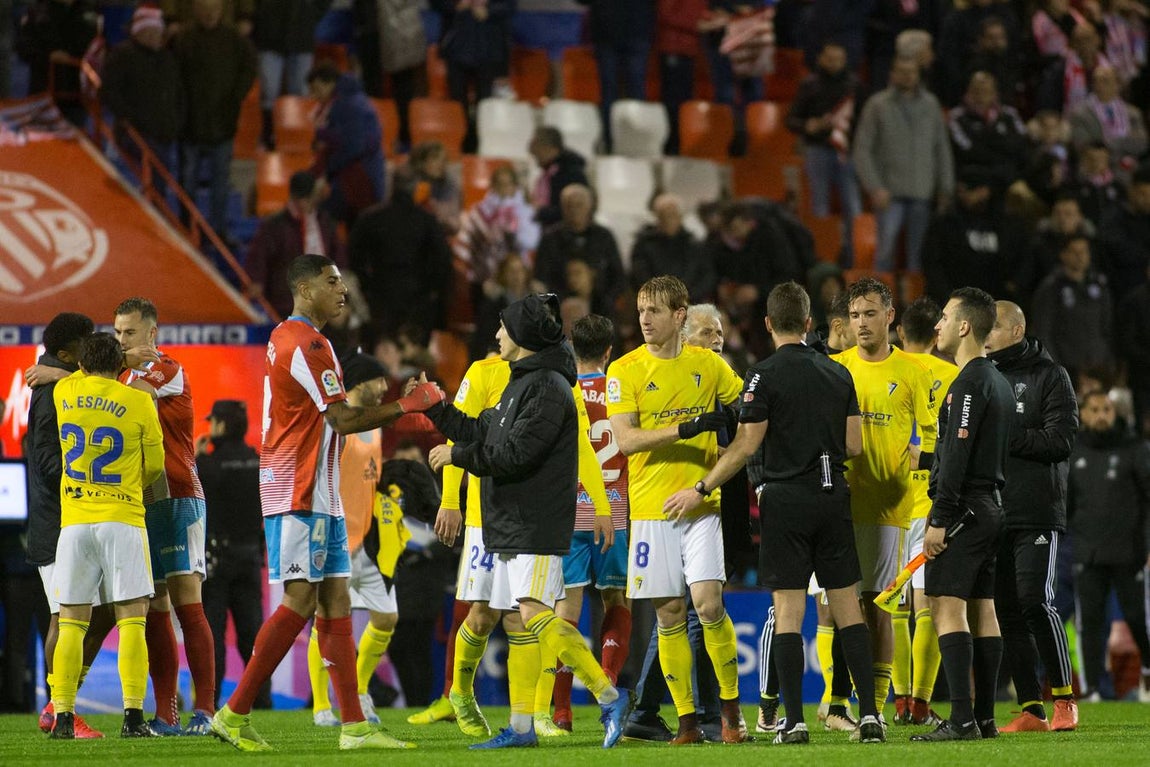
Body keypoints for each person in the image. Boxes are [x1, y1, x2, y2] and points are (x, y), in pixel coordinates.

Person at [210, 253, 445, 752]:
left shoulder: (289, 338)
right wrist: (409, 405)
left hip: (319, 488)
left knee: (336, 598)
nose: (343, 290)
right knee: (300, 601)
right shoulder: (309, 343)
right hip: (300, 485)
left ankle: (354, 724)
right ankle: (234, 713)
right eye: (333, 281)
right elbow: (341, 420)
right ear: (305, 287)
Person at [665, 281, 884, 745]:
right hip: (831, 495)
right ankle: (870, 717)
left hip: (784, 500)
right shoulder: (837, 372)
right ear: (808, 324)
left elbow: (746, 446)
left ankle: (795, 722)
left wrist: (702, 486)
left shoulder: (761, 376)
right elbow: (854, 445)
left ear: (767, 324)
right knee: (848, 609)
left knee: (788, 612)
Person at [425, 293, 630, 749]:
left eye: (503, 326)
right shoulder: (526, 382)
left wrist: (457, 455)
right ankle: (520, 729)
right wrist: (436, 409)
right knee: (520, 618)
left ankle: (609, 695)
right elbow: (485, 431)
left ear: (522, 335)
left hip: (534, 520)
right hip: (511, 521)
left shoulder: (548, 389)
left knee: (535, 616)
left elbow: (514, 454)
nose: (496, 334)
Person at [605, 275, 748, 744]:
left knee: (708, 605)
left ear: (679, 316)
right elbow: (626, 441)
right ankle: (687, 722)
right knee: (669, 614)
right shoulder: (624, 370)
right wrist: (687, 428)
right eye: (641, 311)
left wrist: (734, 426)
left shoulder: (708, 365)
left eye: (655, 311)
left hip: (702, 506)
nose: (645, 319)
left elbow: (749, 410)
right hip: (650, 511)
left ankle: (730, 714)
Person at [48, 332, 165, 739]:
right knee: (132, 620)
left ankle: (62, 716)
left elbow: (70, 374)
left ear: (81, 365)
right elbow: (155, 465)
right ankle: (133, 718)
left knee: (71, 625)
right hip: (123, 517)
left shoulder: (65, 391)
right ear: (120, 367)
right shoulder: (139, 400)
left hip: (75, 522)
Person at [108, 298, 216, 735]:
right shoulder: (120, 372)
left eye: (129, 333)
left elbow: (136, 394)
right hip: (140, 501)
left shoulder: (169, 370)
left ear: (151, 334)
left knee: (187, 601)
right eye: (116, 334)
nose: (122, 342)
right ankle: (166, 712)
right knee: (153, 604)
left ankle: (206, 711)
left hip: (178, 497)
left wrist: (90, 372)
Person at [832, 277, 938, 724]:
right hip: (837, 504)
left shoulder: (913, 371)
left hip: (888, 508)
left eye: (870, 314)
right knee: (840, 606)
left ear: (890, 316)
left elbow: (935, 441)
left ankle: (874, 707)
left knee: (878, 606)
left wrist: (930, 493)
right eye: (855, 315)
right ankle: (838, 702)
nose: (862, 324)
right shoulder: (836, 367)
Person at [911, 287, 1014, 742]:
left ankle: (961, 720)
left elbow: (956, 458)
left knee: (945, 608)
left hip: (964, 512)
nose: (938, 326)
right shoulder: (999, 380)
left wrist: (938, 521)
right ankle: (985, 717)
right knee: (983, 608)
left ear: (965, 326)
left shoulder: (968, 384)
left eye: (946, 317)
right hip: (991, 505)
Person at [984, 300, 1081, 733]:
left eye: (995, 327)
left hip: (1038, 510)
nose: (986, 334)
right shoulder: (985, 376)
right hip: (994, 509)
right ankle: (1030, 708)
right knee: (1006, 609)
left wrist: (1003, 437)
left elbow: (1060, 441)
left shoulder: (1050, 375)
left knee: (1035, 601)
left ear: (1018, 328)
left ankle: (1064, 699)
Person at [539, 314, 632, 733]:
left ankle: (562, 711)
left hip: (569, 512)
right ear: (609, 352)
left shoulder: (565, 391)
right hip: (616, 510)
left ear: (573, 350)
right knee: (616, 601)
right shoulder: (621, 390)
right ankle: (607, 683)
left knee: (566, 612)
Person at [25, 312, 108, 738]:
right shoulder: (47, 394)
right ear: (64, 353)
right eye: (85, 342)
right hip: (56, 522)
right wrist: (81, 479)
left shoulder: (58, 380)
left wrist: (60, 374)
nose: (92, 347)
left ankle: (59, 702)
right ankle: (60, 712)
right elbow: (44, 458)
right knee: (66, 615)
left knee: (97, 613)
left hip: (69, 518)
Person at [307, 353, 401, 727]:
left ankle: (360, 691)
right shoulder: (334, 425)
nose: (384, 388)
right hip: (333, 539)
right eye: (380, 381)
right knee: (325, 621)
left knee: (387, 617)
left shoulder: (373, 425)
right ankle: (321, 707)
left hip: (367, 542)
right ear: (361, 382)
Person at [890, 297, 958, 726]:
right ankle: (919, 703)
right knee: (928, 605)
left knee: (894, 608)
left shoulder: (887, 369)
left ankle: (896, 701)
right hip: (934, 506)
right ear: (938, 333)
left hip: (892, 505)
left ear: (899, 332)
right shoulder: (954, 376)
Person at [1068, 389, 1150, 700]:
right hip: (1088, 552)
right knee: (1089, 623)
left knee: (1135, 619)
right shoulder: (1076, 452)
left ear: (1114, 413)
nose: (1102, 415)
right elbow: (1068, 504)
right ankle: (1092, 690)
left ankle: (1147, 673)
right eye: (1095, 410)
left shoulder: (1133, 449)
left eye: (1107, 409)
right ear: (1084, 415)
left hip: (1128, 552)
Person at [195, 399, 266, 711]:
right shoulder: (256, 460)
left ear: (220, 425)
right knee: (253, 637)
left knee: (214, 638)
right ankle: (261, 700)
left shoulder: (208, 464)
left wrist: (197, 456)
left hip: (217, 560)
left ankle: (209, 704)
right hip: (250, 556)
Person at [853, 55, 954, 274]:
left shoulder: (931, 104)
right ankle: (878, 305)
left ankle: (914, 306)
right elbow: (862, 149)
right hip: (889, 193)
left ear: (918, 75)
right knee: (884, 255)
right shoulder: (877, 104)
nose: (907, 76)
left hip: (922, 192)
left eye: (912, 72)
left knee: (918, 259)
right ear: (892, 74)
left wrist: (946, 188)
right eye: (902, 71)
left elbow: (941, 149)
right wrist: (875, 187)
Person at [174, 0, 258, 244]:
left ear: (221, 11)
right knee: (187, 182)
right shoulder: (183, 39)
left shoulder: (235, 40)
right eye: (204, 10)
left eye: (214, 10)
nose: (209, 15)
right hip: (190, 126)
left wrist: (236, 97)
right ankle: (186, 228)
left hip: (222, 124)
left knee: (220, 185)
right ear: (195, 11)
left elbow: (249, 68)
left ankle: (218, 231)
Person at [786, 40, 862, 267]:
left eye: (839, 59)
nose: (834, 63)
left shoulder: (855, 85)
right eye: (830, 58)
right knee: (820, 207)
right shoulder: (810, 84)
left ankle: (852, 257)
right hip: (817, 150)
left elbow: (865, 121)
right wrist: (808, 125)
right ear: (821, 59)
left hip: (846, 152)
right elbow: (791, 120)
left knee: (853, 208)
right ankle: (821, 256)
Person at [246, 170, 343, 321]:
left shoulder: (325, 222)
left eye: (306, 198)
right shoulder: (274, 225)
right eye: (299, 198)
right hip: (286, 300)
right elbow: (259, 255)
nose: (302, 203)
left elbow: (338, 254)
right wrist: (256, 280)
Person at [307, 62, 386, 227]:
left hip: (358, 177)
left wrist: (329, 167)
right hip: (363, 174)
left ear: (329, 83)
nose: (315, 95)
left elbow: (353, 145)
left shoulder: (348, 104)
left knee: (320, 219)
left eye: (317, 89)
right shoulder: (351, 100)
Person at [629, 194, 716, 303]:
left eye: (672, 215)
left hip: (691, 303)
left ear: (680, 217)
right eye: (663, 216)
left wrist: (687, 297)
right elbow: (640, 276)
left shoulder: (695, 245)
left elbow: (707, 276)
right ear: (657, 218)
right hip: (656, 304)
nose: (668, 220)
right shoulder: (644, 246)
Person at [529, 126, 589, 228]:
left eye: (536, 146)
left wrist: (540, 212)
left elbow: (573, 211)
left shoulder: (571, 173)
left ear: (549, 148)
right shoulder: (548, 173)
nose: (531, 150)